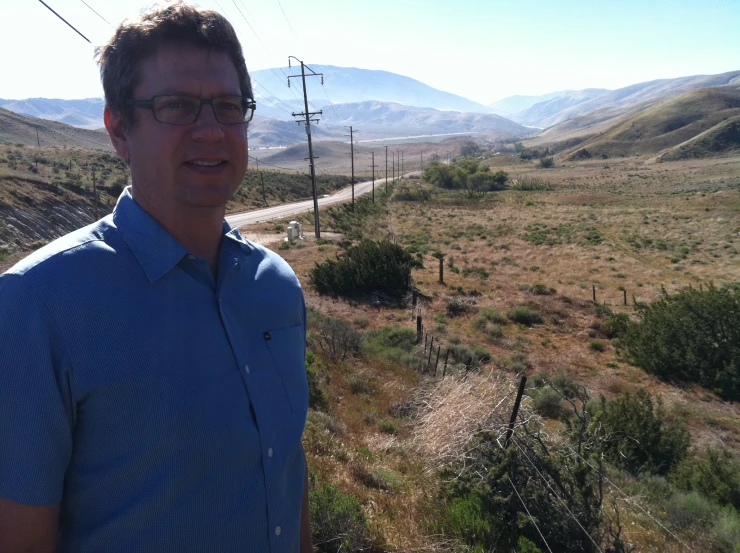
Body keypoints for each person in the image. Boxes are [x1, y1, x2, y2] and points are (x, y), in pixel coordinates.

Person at [0, 4, 312, 552]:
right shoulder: (37, 304)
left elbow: (286, 470)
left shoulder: (277, 286)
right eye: (177, 106)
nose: (211, 131)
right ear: (119, 128)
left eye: (228, 106)